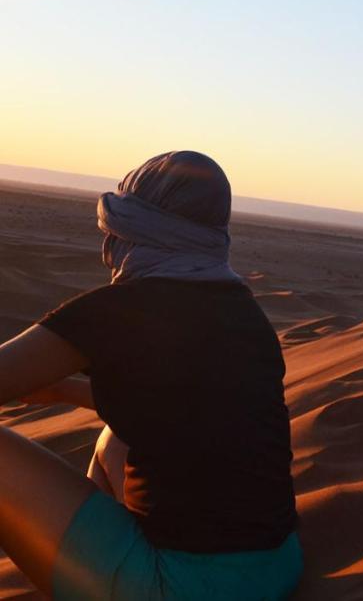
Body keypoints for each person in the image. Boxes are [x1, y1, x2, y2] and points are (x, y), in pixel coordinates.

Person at [0, 151, 302, 599]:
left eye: (114, 230)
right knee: (112, 440)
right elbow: (188, 408)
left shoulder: (117, 311)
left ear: (134, 227)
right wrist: (66, 389)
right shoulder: (244, 311)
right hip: (277, 566)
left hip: (180, 588)